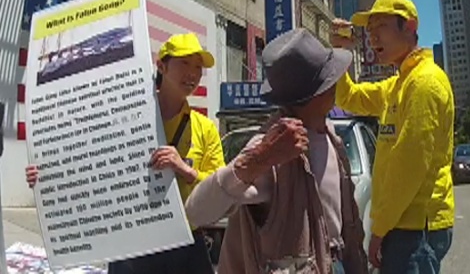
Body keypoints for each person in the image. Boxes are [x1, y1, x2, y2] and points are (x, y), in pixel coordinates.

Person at [26, 33, 225, 274]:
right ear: (161, 66)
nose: (193, 74)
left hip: (186, 245)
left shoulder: (205, 129)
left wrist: (185, 169)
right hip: (133, 244)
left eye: (198, 67)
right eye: (184, 63)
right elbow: (90, 161)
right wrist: (48, 177)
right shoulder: (125, 117)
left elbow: (221, 188)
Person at [185, 28, 369, 274]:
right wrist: (259, 159)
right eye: (330, 78)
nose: (336, 83)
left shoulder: (330, 135)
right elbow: (195, 212)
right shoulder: (272, 147)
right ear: (317, 91)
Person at [330, 0, 455, 274]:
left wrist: (380, 229)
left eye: (381, 27)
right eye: (370, 30)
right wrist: (340, 52)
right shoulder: (398, 85)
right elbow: (349, 98)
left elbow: (410, 165)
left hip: (415, 226)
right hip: (403, 225)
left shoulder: (424, 83)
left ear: (409, 26)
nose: (373, 37)